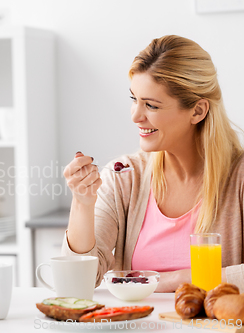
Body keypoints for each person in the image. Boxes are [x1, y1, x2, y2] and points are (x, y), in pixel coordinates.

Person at [62, 35, 244, 293]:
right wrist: (82, 202)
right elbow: (74, 285)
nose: (136, 115)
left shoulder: (239, 178)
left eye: (151, 105)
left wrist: (173, 280)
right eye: (134, 99)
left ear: (198, 111)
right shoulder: (123, 177)